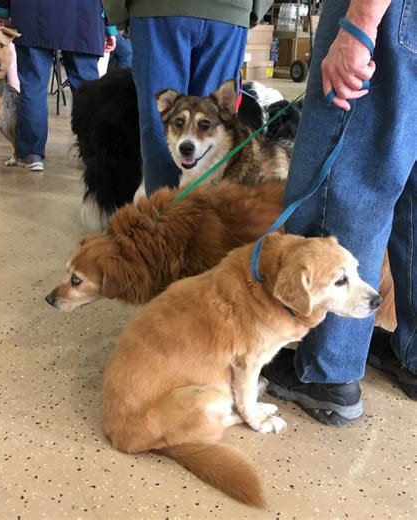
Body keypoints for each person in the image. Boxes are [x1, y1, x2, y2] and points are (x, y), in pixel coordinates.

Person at [262, 0, 416, 426]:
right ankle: (414, 351)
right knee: (412, 193)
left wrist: (360, 25)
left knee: (348, 185)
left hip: (390, 17)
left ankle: (329, 373)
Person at [104, 0, 273, 196]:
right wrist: (254, 10)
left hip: (156, 12)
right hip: (228, 14)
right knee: (212, 124)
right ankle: (186, 220)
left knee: (164, 127)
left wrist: (117, 11)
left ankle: (166, 219)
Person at [0, 0, 117, 171]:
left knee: (32, 86)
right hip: (84, 16)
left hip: (31, 13)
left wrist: (1, 11)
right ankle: (91, 153)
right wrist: (111, 26)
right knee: (87, 90)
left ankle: (31, 154)